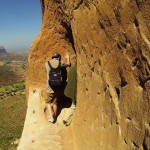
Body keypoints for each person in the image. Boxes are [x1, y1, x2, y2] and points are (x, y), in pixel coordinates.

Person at [44, 52, 70, 123]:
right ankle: (55, 116)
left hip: (49, 87)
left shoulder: (46, 64)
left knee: (48, 102)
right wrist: (68, 58)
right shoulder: (60, 63)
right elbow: (68, 64)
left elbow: (47, 75)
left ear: (52, 57)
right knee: (55, 102)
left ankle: (51, 117)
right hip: (58, 87)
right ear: (58, 58)